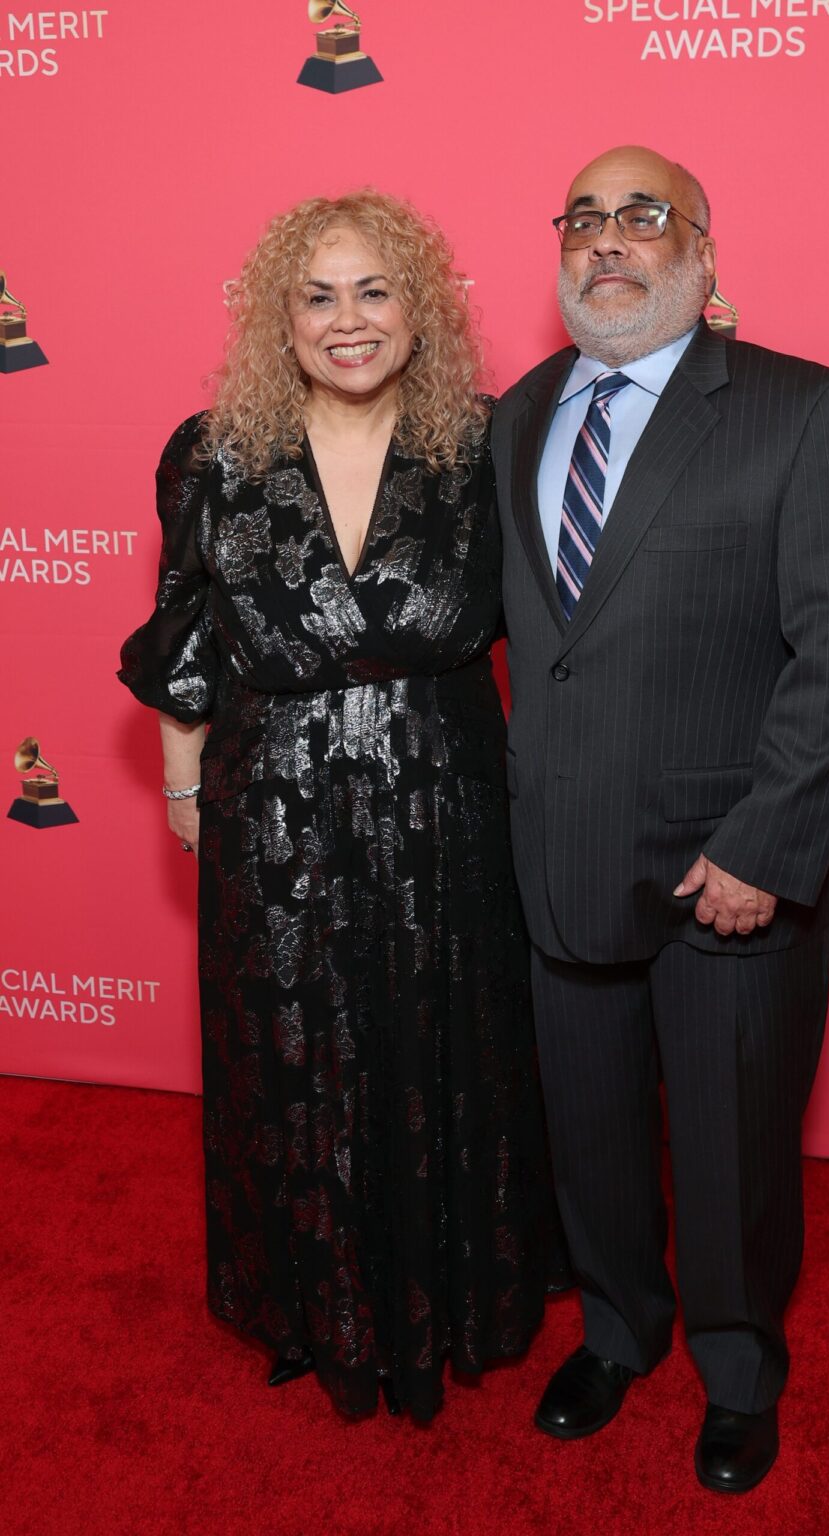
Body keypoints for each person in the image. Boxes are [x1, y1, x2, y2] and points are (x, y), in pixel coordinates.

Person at [119, 190, 563, 1424]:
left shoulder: (491, 443)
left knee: (450, 1048)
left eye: (374, 290)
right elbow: (188, 634)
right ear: (281, 319)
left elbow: (575, 616)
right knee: (296, 1057)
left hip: (452, 806)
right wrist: (178, 783)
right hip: (273, 815)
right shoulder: (212, 452)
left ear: (417, 312)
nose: (347, 319)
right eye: (318, 295)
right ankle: (320, 1307)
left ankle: (461, 1296)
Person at [490, 145, 829, 1491]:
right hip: (562, 856)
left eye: (644, 215)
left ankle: (736, 1366)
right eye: (586, 217)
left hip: (727, 871)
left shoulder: (801, 407)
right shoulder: (520, 411)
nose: (610, 240)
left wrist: (767, 849)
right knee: (590, 1129)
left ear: (704, 254)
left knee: (730, 1150)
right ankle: (619, 1330)